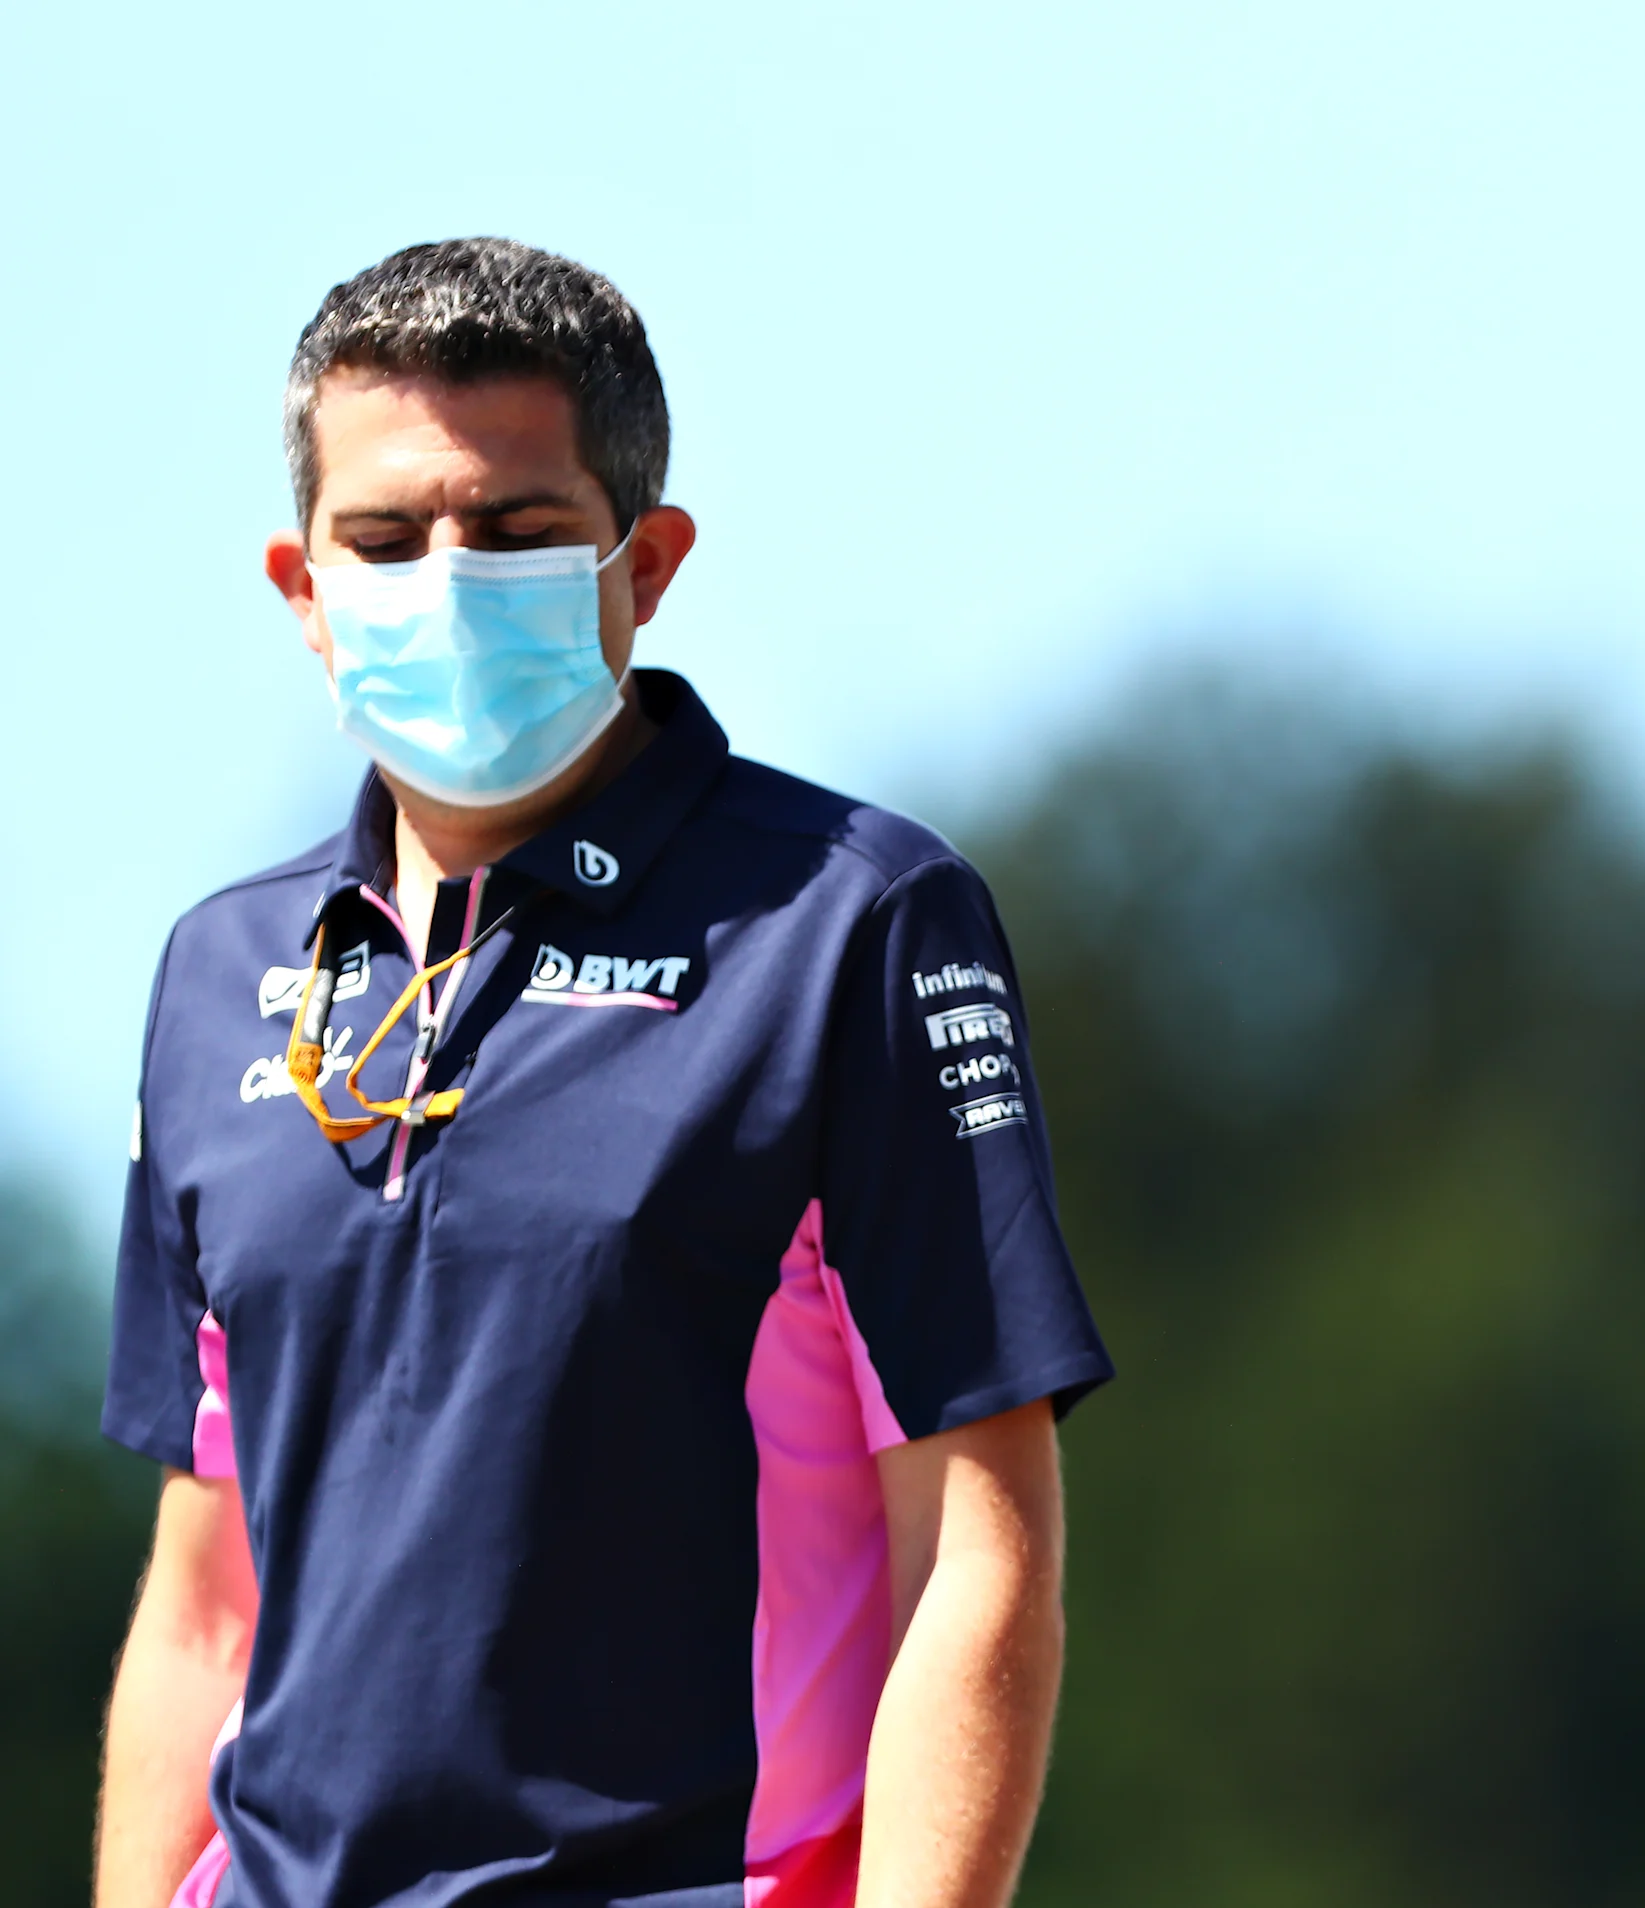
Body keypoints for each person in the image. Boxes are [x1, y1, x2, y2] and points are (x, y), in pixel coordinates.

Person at [94, 240, 1112, 1908]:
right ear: (301, 588)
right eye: (384, 538)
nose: (442, 576)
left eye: (511, 533)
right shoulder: (218, 974)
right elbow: (206, 1595)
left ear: (647, 565)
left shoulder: (855, 919)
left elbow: (978, 1547)